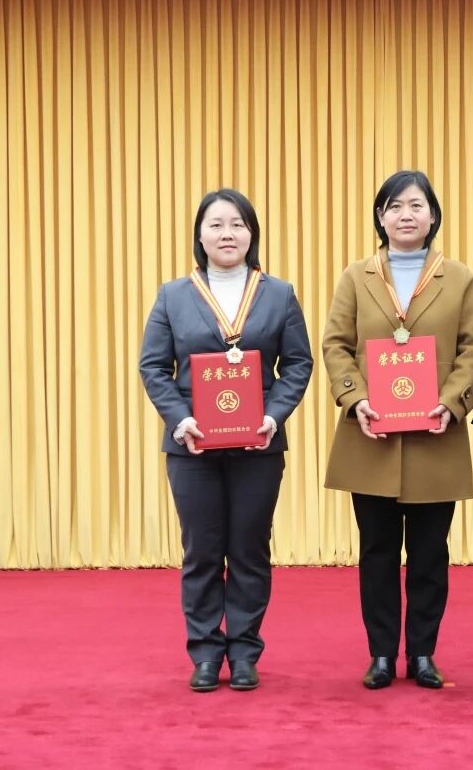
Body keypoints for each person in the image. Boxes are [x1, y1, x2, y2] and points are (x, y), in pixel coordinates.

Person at [139, 188, 313, 693]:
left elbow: (297, 364)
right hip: (192, 446)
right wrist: (180, 419)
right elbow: (153, 366)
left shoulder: (278, 294)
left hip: (258, 445)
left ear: (252, 233)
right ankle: (204, 653)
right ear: (200, 235)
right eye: (216, 225)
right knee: (201, 551)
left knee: (250, 549)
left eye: (237, 224)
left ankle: (243, 652)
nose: (227, 234)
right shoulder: (173, 295)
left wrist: (274, 415)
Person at [323, 170, 473, 690]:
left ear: (433, 215)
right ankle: (379, 654)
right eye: (394, 207)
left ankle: (422, 654)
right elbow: (335, 344)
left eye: (416, 205)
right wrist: (356, 398)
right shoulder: (356, 276)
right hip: (370, 435)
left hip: (435, 436)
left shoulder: (458, 278)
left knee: (430, 554)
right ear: (380, 217)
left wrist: (451, 403)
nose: (405, 215)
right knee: (375, 551)